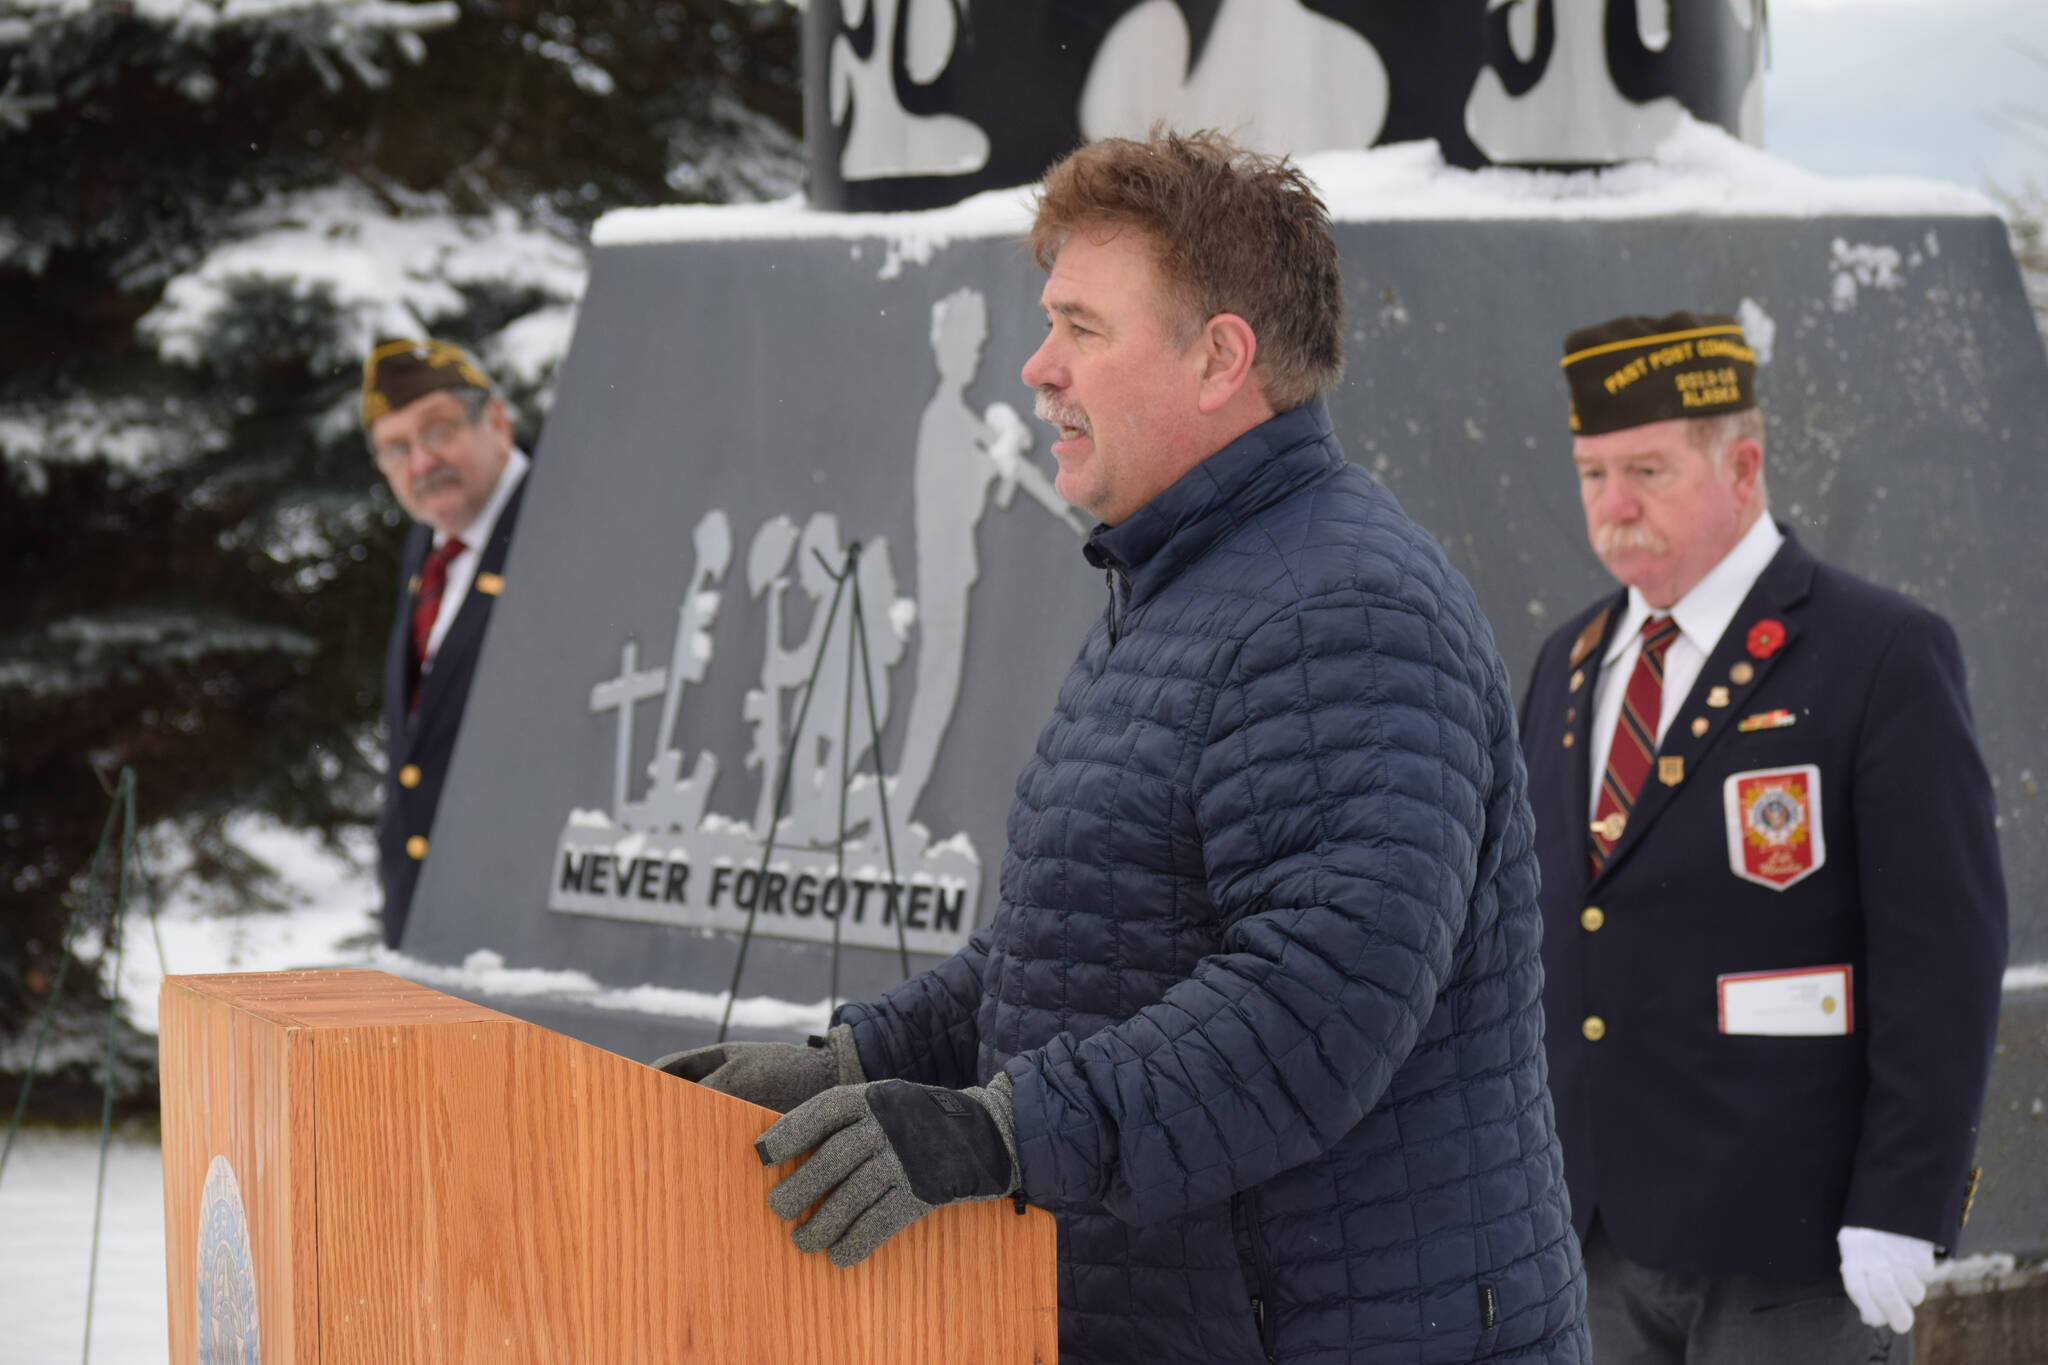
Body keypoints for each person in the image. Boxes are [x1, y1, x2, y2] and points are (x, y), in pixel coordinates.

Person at [658, 130, 1588, 1365]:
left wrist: (996, 1135)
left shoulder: (1341, 610)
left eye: (1081, 329)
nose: (1038, 368)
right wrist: (854, 1060)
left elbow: (1312, 1002)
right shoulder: (1184, 586)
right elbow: (1077, 949)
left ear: (1219, 358)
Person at [1518, 312, 2007, 1363]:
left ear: (1740, 467)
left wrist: (1904, 1197)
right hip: (1594, 1233)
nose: (1612, 507)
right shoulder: (1567, 663)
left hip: (1788, 1246)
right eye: (1590, 473)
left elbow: (1942, 957)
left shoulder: (1876, 654)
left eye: (1645, 469)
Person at [362, 337, 530, 948]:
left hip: (521, 930)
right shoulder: (429, 544)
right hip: (431, 925)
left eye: (438, 432)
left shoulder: (557, 529)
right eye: (396, 449)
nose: (421, 464)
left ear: (496, 420)